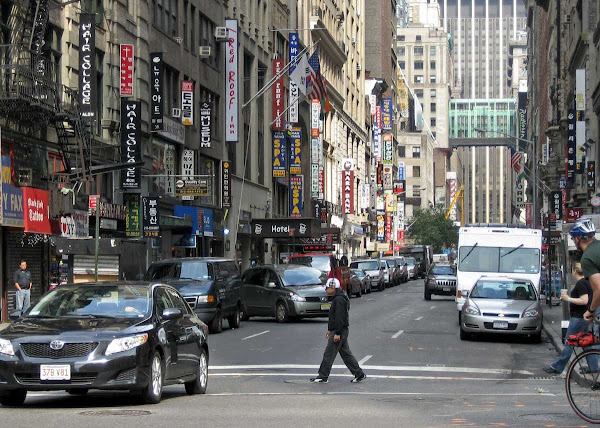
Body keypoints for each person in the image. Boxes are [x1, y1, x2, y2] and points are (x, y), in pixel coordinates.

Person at [310, 278, 366, 384]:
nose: (326, 289)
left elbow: (340, 317)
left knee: (329, 353)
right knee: (346, 354)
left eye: (327, 287)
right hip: (339, 330)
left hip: (339, 331)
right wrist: (330, 329)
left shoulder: (339, 300)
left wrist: (337, 333)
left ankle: (323, 376)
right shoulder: (339, 298)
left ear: (333, 287)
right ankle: (359, 374)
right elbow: (336, 317)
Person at [543, 263, 592, 374]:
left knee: (569, 341)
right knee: (586, 342)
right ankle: (593, 366)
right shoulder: (588, 282)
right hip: (585, 316)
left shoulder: (580, 283)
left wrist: (568, 298)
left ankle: (557, 367)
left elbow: (584, 300)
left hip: (579, 317)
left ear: (575, 271)